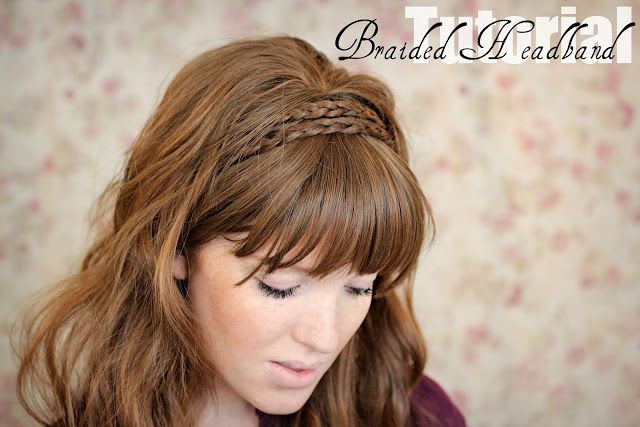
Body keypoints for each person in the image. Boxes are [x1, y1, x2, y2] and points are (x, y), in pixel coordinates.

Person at [14, 35, 466, 426]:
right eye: (281, 286)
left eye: (359, 287)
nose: (325, 338)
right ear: (176, 246)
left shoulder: (416, 415)